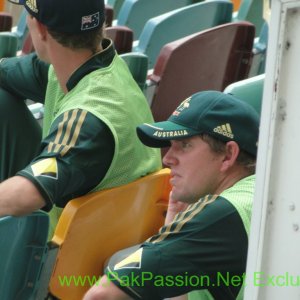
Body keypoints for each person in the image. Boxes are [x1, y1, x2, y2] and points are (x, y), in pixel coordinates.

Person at [0, 0, 161, 237]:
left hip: (64, 260)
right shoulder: (100, 66)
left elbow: (26, 195)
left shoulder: (89, 118)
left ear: (42, 29)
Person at [83, 90, 260, 300]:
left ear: (228, 155)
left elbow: (102, 296)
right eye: (170, 146)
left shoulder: (221, 213)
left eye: (185, 145)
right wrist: (173, 230)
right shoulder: (261, 194)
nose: (167, 159)